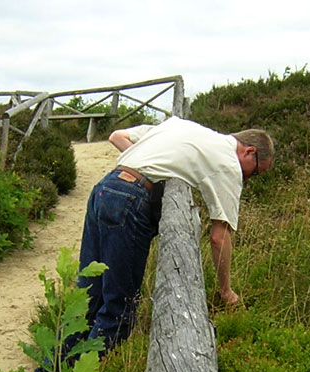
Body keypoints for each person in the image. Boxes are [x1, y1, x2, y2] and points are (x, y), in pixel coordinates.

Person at [79, 116, 274, 353]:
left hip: (105, 188)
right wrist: (225, 291)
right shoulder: (229, 165)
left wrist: (146, 166)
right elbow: (219, 237)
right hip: (129, 202)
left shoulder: (184, 126)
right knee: (118, 312)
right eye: (254, 173)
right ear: (249, 152)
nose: (248, 179)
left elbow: (117, 137)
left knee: (88, 297)